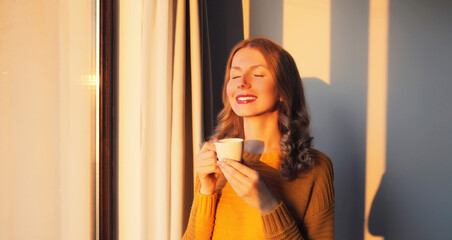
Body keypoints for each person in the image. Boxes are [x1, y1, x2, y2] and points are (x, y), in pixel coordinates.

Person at [182, 37, 334, 239]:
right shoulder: (214, 161)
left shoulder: (316, 168)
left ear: (283, 90)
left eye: (258, 74)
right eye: (235, 76)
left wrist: (268, 203)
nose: (242, 83)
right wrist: (206, 189)